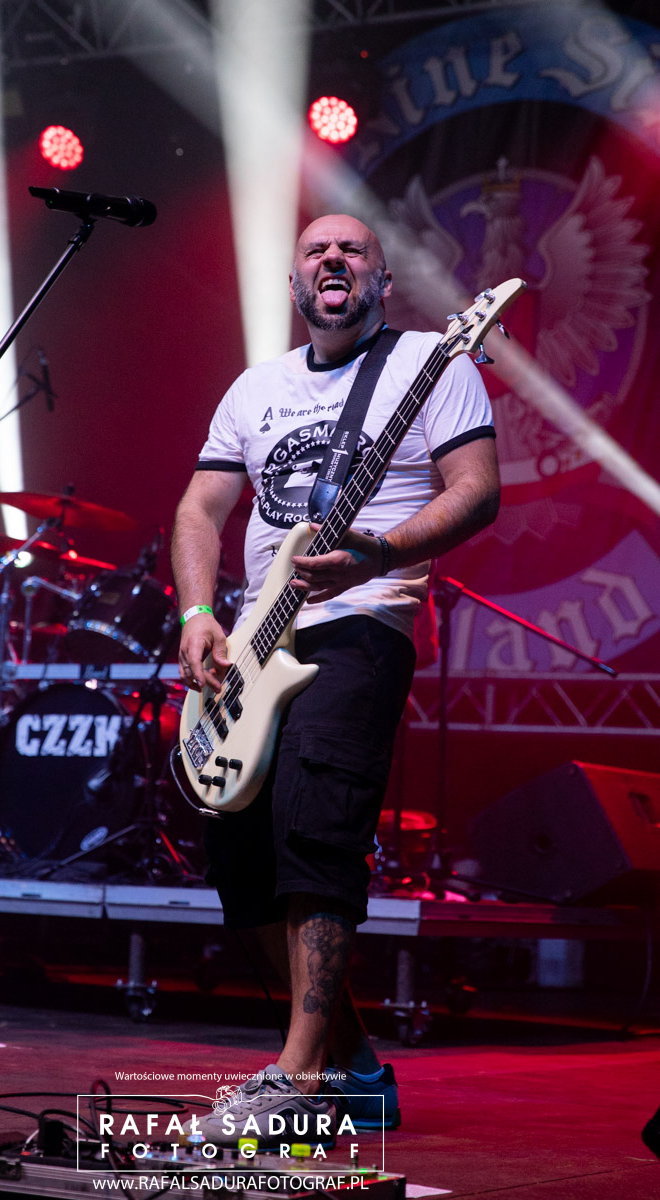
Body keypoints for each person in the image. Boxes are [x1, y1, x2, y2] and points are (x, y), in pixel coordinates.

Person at [171, 214, 500, 1146]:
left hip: (361, 623)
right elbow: (199, 508)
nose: (332, 259)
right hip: (251, 640)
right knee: (240, 858)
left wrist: (377, 554)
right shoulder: (256, 388)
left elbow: (476, 489)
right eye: (315, 249)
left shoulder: (432, 363)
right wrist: (197, 615)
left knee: (315, 830)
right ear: (294, 283)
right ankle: (352, 1066)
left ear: (381, 280)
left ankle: (298, 1075)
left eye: (352, 250)